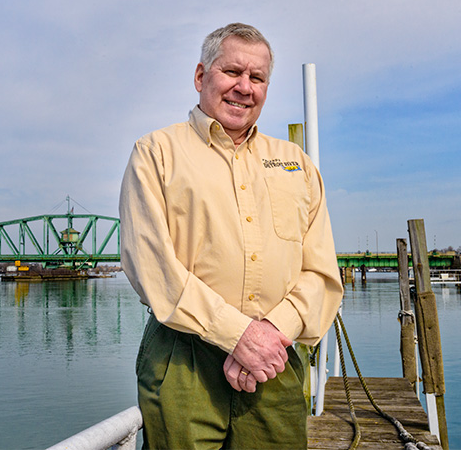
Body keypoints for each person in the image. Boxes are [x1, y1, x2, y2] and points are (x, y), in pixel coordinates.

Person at [118, 23, 343, 449]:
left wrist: (272, 332)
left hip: (274, 358)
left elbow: (322, 271)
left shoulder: (296, 163)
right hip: (182, 358)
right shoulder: (155, 153)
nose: (245, 87)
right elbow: (151, 266)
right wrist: (238, 334)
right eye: (232, 72)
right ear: (201, 76)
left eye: (257, 78)